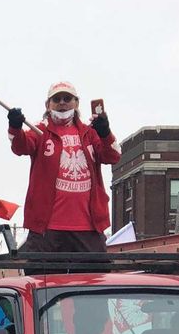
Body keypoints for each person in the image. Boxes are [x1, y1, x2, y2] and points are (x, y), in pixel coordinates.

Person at [7, 81, 121, 255]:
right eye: (56, 99)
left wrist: (105, 132)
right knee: (42, 281)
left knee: (94, 280)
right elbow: (20, 146)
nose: (62, 103)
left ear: (76, 103)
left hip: (89, 229)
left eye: (67, 98)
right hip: (46, 230)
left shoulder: (90, 133)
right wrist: (15, 127)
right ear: (48, 105)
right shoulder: (40, 131)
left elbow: (112, 156)